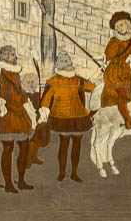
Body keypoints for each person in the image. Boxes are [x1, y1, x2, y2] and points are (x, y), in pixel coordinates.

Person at [0, 44, 38, 193]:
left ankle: (21, 180)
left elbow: (18, 91)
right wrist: (11, 104)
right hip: (7, 114)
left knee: (24, 147)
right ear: (4, 56)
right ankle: (8, 183)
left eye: (14, 54)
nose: (15, 57)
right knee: (8, 148)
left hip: (19, 114)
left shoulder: (15, 73)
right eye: (11, 54)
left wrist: (26, 101)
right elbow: (1, 94)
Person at [37, 53, 95, 182]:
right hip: (63, 118)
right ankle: (63, 172)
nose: (68, 67)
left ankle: (72, 173)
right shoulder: (54, 82)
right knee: (65, 145)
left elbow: (93, 88)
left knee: (74, 145)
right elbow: (46, 101)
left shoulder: (78, 80)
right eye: (66, 65)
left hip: (78, 117)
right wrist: (43, 114)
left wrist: (94, 81)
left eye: (69, 64)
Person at [101, 11, 131, 129]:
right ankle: (127, 119)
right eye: (117, 27)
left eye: (121, 25)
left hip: (127, 70)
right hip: (114, 72)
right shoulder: (114, 41)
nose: (119, 28)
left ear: (128, 24)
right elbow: (109, 55)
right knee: (122, 93)